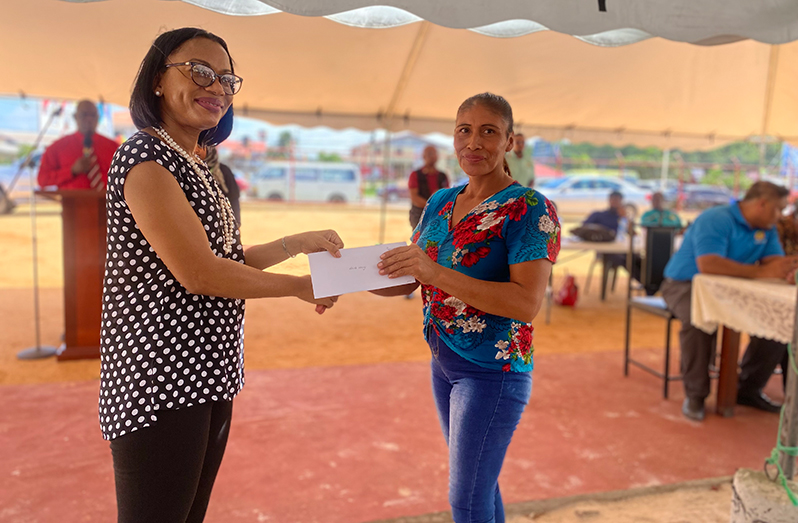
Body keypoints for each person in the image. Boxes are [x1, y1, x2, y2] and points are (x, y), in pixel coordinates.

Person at [100, 28, 342, 522]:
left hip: (209, 374)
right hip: (160, 380)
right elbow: (200, 273)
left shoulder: (199, 162)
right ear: (158, 82)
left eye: (227, 79)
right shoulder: (145, 158)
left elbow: (228, 259)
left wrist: (296, 244)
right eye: (200, 72)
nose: (217, 89)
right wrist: (299, 286)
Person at [375, 93, 560, 523]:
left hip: (493, 372)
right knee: (481, 485)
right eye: (465, 131)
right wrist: (339, 279)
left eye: (488, 132)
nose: (474, 143)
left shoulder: (529, 208)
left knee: (466, 500)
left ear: (510, 141)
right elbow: (407, 274)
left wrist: (435, 273)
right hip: (444, 361)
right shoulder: (440, 202)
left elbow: (526, 303)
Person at [660, 181, 798, 421]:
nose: (781, 215)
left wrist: (786, 269)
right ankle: (696, 395)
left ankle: (748, 388)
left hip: (734, 287)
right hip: (684, 284)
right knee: (699, 321)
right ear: (762, 204)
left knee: (780, 318)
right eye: (778, 209)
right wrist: (760, 272)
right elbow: (709, 265)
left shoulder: (767, 229)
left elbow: (773, 264)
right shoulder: (716, 218)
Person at [37, 100, 119, 190]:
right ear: (75, 117)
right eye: (84, 115)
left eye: (93, 115)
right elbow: (42, 179)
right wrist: (71, 171)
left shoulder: (114, 147)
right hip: (71, 202)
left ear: (98, 117)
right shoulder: (57, 148)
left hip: (107, 202)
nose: (89, 119)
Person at [408, 145, 449, 228]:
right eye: (430, 153)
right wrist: (432, 206)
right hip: (419, 215)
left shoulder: (443, 176)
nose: (433, 156)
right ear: (423, 156)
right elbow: (414, 197)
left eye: (435, 154)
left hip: (438, 216)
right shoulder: (415, 175)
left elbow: (447, 196)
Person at [202, 145, 241, 225]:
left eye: (201, 147)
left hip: (223, 220)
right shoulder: (192, 169)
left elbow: (233, 197)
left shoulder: (224, 170)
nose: (197, 150)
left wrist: (237, 222)